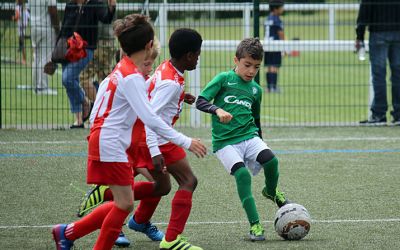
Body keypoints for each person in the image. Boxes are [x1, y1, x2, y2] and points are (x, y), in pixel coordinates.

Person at [51, 14, 207, 250]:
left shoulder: (123, 69)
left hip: (107, 140)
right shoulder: (132, 77)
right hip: (112, 143)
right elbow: (151, 119)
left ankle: (68, 232)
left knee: (125, 202)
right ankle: (81, 233)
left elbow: (106, 106)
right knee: (125, 204)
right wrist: (187, 141)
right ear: (147, 46)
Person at [196, 38, 290, 241]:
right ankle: (255, 225)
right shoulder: (224, 79)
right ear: (236, 60)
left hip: (249, 136)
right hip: (225, 143)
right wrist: (217, 109)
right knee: (243, 176)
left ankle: (271, 191)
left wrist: (262, 143)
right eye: (247, 65)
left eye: (256, 67)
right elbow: (200, 101)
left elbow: (256, 119)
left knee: (272, 160)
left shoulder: (256, 90)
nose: (251, 71)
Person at [76, 39, 162, 248]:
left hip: (133, 142)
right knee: (127, 199)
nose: (150, 68)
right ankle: (118, 224)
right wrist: (184, 140)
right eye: (147, 63)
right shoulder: (124, 79)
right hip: (120, 144)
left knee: (159, 185)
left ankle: (70, 231)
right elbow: (101, 116)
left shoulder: (139, 78)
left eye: (152, 63)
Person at [57, 0, 116, 129]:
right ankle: (78, 119)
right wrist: (56, 51)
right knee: (70, 82)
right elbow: (64, 29)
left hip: (85, 50)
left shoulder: (95, 4)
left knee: (67, 78)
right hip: (68, 49)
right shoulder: (71, 5)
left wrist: (111, 7)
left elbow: (106, 19)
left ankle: (85, 102)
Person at [356, 0, 400, 126]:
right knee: (398, 75)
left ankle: (379, 114)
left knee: (379, 75)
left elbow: (364, 11)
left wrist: (360, 35)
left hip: (378, 32)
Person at [79, 6, 116, 104]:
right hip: (106, 43)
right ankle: (103, 109)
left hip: (102, 44)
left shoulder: (97, 4)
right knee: (104, 80)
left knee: (84, 78)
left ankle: (99, 108)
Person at [30, 0, 59, 95]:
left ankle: (35, 85)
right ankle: (42, 87)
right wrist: (57, 30)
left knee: (36, 57)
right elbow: (53, 11)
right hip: (46, 27)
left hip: (33, 26)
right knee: (45, 57)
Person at [264, 0, 285, 93]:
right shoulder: (277, 19)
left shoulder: (268, 18)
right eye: (281, 7)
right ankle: (274, 87)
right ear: (276, 9)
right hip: (275, 44)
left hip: (267, 44)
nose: (282, 9)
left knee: (268, 66)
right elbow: (281, 34)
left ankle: (268, 87)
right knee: (274, 66)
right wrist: (285, 47)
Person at [12, 0, 29, 65]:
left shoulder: (17, 7)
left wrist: (13, 18)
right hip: (24, 25)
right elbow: (28, 16)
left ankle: (24, 60)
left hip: (21, 26)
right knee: (21, 41)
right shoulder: (24, 7)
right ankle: (20, 47)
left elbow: (17, 16)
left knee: (22, 43)